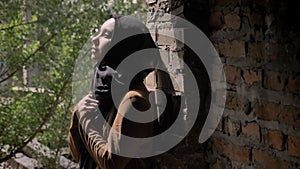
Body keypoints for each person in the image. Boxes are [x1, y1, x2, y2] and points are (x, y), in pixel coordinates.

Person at [68, 15, 179, 169]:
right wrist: (77, 113)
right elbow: (79, 154)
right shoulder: (105, 91)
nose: (94, 39)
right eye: (98, 32)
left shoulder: (134, 101)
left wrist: (84, 118)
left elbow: (111, 163)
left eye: (106, 35)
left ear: (123, 46)